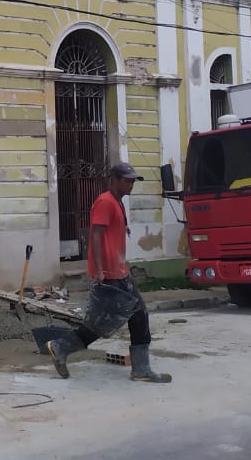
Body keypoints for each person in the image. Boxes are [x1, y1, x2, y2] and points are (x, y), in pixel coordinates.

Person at [46, 162, 172, 383]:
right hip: (110, 275)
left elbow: (110, 230)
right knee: (106, 323)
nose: (131, 184)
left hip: (119, 272)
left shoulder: (117, 202)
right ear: (113, 179)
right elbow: (95, 235)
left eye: (133, 180)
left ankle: (140, 369)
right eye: (127, 180)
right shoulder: (105, 202)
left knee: (132, 317)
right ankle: (61, 346)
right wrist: (100, 270)